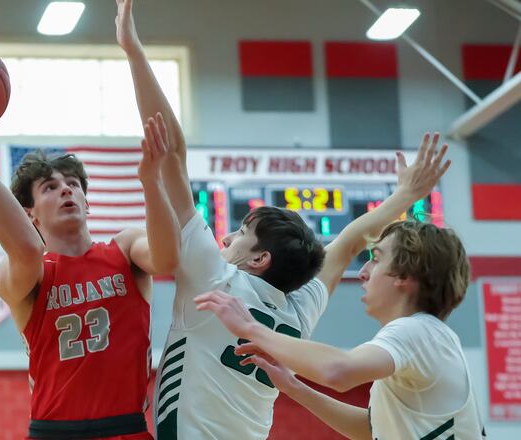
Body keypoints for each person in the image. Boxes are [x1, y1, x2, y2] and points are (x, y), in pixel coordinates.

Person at [115, 1, 452, 437]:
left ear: (259, 260)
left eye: (239, 234)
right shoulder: (298, 311)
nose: (223, 241)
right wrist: (406, 196)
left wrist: (135, 53)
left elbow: (172, 152)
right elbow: (349, 241)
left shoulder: (214, 282)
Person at [0, 103, 181, 439]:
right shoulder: (27, 273)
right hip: (53, 431)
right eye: (49, 188)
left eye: (72, 184)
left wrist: (151, 182)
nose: (66, 189)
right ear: (30, 214)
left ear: (87, 202)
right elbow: (27, 248)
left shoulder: (125, 248)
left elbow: (168, 258)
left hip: (124, 428)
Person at [196, 218, 485, 440]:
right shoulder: (426, 335)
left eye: (376, 258)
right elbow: (372, 429)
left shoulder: (417, 332)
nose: (363, 272)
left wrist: (251, 328)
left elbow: (339, 371)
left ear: (405, 275)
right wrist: (293, 386)